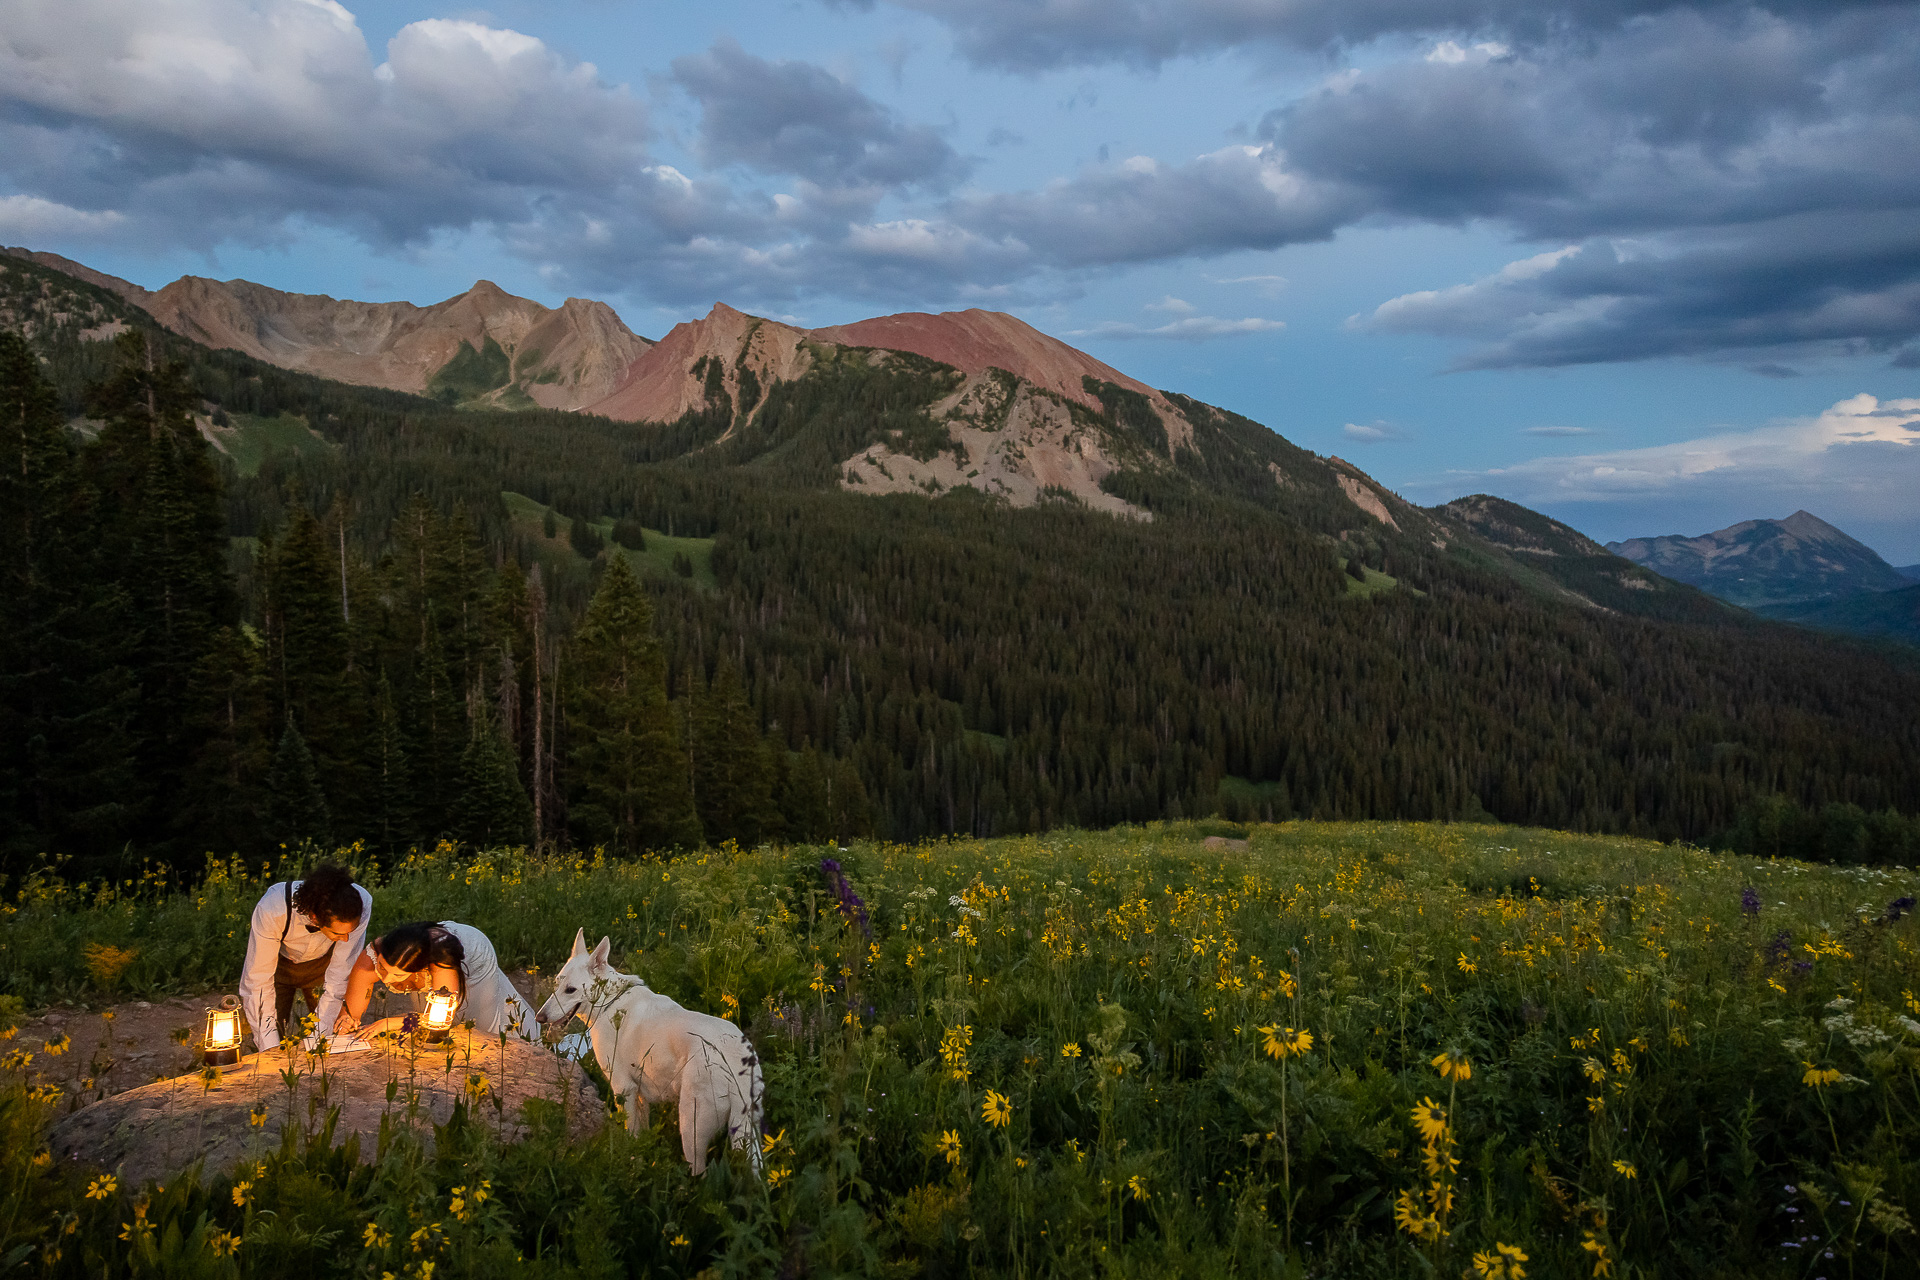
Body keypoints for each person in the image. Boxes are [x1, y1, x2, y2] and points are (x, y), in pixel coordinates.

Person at [237, 863, 373, 1053]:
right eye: (337, 933)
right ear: (314, 917)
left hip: (324, 966)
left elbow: (340, 974)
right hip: (279, 967)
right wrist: (270, 1050)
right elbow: (257, 982)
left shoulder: (361, 902)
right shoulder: (273, 909)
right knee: (271, 1033)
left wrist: (319, 1040)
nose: (345, 939)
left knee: (328, 1038)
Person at [337, 920, 534, 1041]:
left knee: (477, 1025)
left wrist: (387, 1023)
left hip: (474, 957)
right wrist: (347, 1020)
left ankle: (530, 1037)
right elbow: (351, 1011)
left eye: (397, 975)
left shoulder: (441, 964)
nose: (386, 979)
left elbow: (438, 1020)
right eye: (382, 967)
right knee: (429, 1034)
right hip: (429, 950)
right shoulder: (372, 957)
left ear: (422, 969)